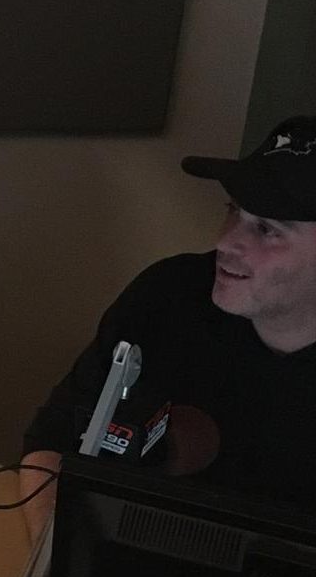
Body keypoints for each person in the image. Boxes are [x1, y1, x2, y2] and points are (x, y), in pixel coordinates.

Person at [18, 116, 316, 538]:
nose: (226, 242)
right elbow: (53, 444)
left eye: (266, 229)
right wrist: (58, 558)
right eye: (233, 210)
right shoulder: (170, 293)